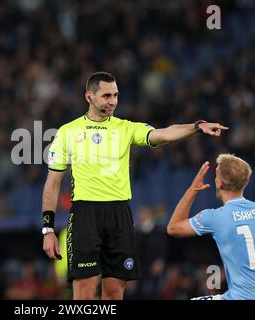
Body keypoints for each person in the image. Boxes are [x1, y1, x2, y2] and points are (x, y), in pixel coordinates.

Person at [41, 71, 228, 300]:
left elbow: (164, 134)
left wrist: (197, 126)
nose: (113, 102)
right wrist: (48, 229)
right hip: (84, 215)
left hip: (119, 214)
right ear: (89, 96)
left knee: (114, 292)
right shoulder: (67, 132)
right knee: (85, 292)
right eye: (106, 96)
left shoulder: (126, 128)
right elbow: (52, 183)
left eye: (116, 95)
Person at [167, 154, 255, 300]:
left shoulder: (216, 217)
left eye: (216, 176)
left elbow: (173, 228)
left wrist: (192, 190)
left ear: (220, 183)